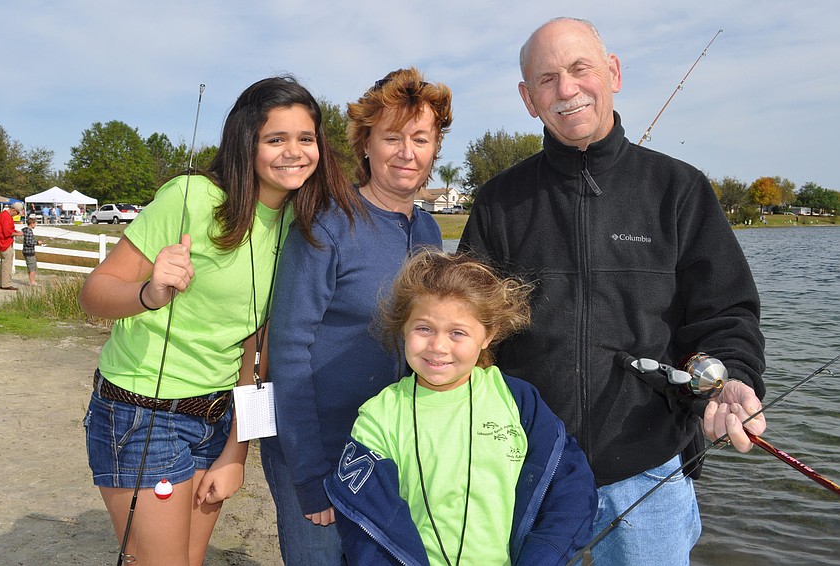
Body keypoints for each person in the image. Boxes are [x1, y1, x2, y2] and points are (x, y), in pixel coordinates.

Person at [459, 17, 767, 566]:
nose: (568, 90)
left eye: (581, 69)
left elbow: (726, 312)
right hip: (529, 475)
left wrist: (732, 378)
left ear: (614, 72)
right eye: (547, 79)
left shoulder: (679, 188)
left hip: (648, 473)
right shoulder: (498, 202)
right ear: (528, 99)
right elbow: (469, 336)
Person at [78, 75, 354, 566]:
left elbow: (257, 350)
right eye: (276, 139)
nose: (294, 152)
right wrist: (150, 291)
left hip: (215, 419)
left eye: (305, 138)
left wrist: (235, 452)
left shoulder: (300, 221)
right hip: (141, 412)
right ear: (245, 142)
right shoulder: (191, 198)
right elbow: (94, 293)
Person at [260, 67, 451, 564]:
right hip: (319, 450)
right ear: (365, 143)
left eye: (421, 139)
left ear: (435, 149)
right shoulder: (327, 221)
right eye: (391, 137)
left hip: (390, 452)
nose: (407, 153)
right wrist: (308, 474)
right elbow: (288, 348)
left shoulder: (430, 233)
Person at [325, 250, 597, 565]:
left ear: (488, 334)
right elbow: (364, 527)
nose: (438, 346)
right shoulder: (378, 418)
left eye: (458, 333)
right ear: (404, 326)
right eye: (424, 328)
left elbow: (571, 491)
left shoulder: (520, 403)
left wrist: (541, 557)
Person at [0, 201, 24, 290]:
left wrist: (16, 231)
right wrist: (19, 234)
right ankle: (5, 284)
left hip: (2, 242)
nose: (17, 214)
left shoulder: (3, 215)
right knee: (7, 264)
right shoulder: (6, 217)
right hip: (5, 243)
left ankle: (4, 283)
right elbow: (7, 232)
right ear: (14, 210)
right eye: (17, 212)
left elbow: (8, 229)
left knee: (5, 263)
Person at [21, 216, 45, 286]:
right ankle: (32, 282)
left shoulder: (26, 231)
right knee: (32, 267)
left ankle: (32, 280)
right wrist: (37, 243)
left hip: (27, 251)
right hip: (29, 252)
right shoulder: (29, 232)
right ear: (31, 223)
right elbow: (28, 242)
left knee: (30, 266)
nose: (35, 225)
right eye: (35, 223)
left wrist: (37, 241)